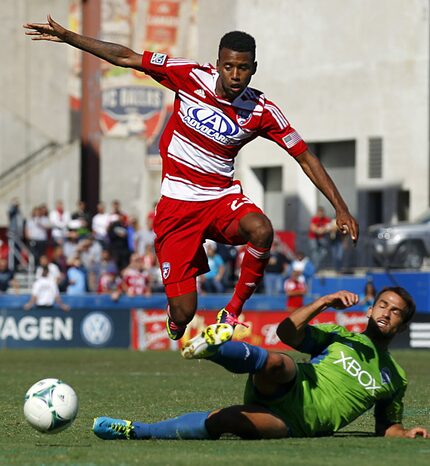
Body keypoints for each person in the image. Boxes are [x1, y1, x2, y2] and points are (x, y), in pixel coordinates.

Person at [24, 16, 359, 342]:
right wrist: (71, 37)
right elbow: (126, 57)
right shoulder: (188, 75)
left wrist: (340, 208)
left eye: (243, 68)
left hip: (220, 198)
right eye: (229, 66)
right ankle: (176, 317)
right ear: (218, 63)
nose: (235, 74)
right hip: (177, 207)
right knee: (185, 312)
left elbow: (304, 156)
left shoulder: (261, 111)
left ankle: (232, 312)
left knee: (262, 229)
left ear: (253, 68)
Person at [93, 287, 429, 440]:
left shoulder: (395, 379)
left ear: (402, 325)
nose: (386, 312)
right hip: (293, 383)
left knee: (225, 420)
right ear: (370, 310)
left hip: (294, 424)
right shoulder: (340, 335)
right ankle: (215, 350)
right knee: (280, 363)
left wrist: (409, 433)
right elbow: (286, 332)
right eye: (382, 304)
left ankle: (134, 430)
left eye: (396, 311)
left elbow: (387, 428)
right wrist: (323, 301)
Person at [308, 206, 332, 272]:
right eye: (319, 213)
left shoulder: (326, 219)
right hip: (313, 238)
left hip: (322, 238)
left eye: (322, 212)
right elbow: (313, 228)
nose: (320, 214)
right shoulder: (314, 219)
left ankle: (314, 266)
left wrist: (322, 229)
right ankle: (314, 268)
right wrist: (322, 229)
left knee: (324, 252)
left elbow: (330, 227)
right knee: (314, 252)